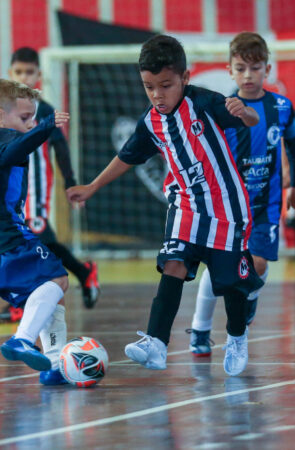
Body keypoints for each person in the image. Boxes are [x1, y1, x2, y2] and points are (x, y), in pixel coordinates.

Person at [67, 35, 264, 376]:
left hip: (226, 207)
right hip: (185, 204)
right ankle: (156, 344)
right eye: (149, 87)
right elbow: (126, 156)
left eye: (166, 85)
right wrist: (93, 186)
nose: (157, 95)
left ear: (185, 78)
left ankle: (236, 337)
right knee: (173, 265)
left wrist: (245, 113)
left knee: (230, 284)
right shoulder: (150, 121)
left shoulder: (204, 102)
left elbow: (248, 121)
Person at [186, 32, 295, 356]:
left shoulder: (281, 106)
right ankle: (200, 328)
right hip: (227, 205)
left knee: (259, 263)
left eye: (255, 68)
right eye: (241, 68)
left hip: (266, 202)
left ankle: (250, 297)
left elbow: (294, 144)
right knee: (219, 270)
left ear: (268, 69)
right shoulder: (221, 108)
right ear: (230, 70)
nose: (248, 75)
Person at [0, 79, 73, 385]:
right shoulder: (1, 138)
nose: (29, 124)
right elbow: (12, 153)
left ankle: (53, 365)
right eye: (25, 118)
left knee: (49, 294)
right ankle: (21, 339)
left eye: (33, 118)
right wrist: (44, 128)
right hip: (4, 236)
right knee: (58, 278)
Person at [0, 47, 100, 324]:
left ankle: (24, 301)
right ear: (10, 75)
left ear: (38, 75)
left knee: (39, 241)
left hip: (35, 190)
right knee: (14, 243)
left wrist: (71, 183)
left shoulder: (46, 110)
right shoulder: (2, 111)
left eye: (29, 72)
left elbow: (61, 149)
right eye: (18, 72)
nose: (24, 77)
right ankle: (82, 272)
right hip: (10, 190)